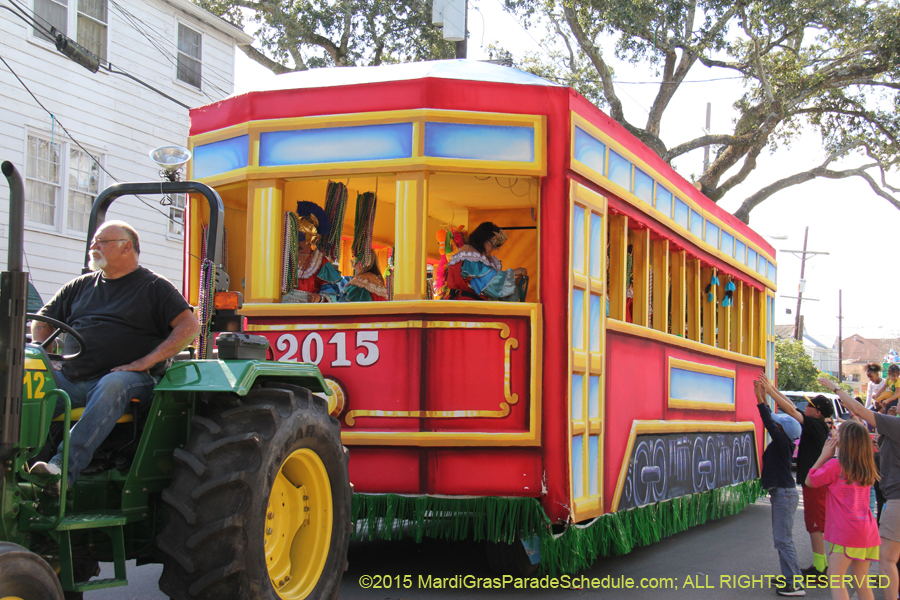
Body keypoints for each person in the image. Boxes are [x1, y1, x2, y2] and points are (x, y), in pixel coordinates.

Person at [30, 221, 200, 493]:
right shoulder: (79, 286)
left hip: (130, 381)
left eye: (102, 242)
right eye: (94, 242)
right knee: (27, 380)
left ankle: (62, 470)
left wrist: (145, 362)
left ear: (126, 246)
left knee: (114, 383)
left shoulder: (154, 287)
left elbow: (189, 326)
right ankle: (19, 465)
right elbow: (42, 322)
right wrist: (44, 353)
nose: (93, 247)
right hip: (72, 379)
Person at [818, 377, 900, 600]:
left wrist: (834, 388)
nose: (895, 403)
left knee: (888, 559)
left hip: (896, 500)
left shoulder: (896, 425)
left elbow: (857, 409)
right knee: (865, 577)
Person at [758, 374, 834, 579]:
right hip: (813, 481)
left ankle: (820, 568)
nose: (805, 407)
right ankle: (821, 564)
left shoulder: (815, 425)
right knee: (813, 524)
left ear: (817, 412)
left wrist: (770, 390)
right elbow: (791, 406)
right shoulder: (817, 423)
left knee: (815, 524)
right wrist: (771, 389)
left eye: (809, 406)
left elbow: (791, 410)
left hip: (815, 482)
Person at [806, 421, 880, 600]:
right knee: (860, 580)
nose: (834, 434)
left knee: (836, 578)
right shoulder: (866, 465)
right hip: (867, 530)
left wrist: (824, 455)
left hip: (846, 532)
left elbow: (810, 481)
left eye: (838, 433)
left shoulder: (835, 465)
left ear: (845, 441)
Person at [754, 380, 805, 597]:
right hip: (783, 493)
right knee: (782, 539)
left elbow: (768, 421)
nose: (775, 426)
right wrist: (762, 397)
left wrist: (760, 398)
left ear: (783, 430)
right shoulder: (784, 443)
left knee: (783, 540)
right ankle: (791, 577)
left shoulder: (783, 442)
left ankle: (794, 584)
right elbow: (771, 422)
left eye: (779, 425)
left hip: (784, 494)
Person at [445, 222, 527, 302]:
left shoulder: (466, 255)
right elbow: (489, 282)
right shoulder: (471, 259)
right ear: (485, 241)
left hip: (462, 303)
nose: (493, 249)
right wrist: (512, 274)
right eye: (493, 244)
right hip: (466, 306)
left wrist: (514, 283)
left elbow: (489, 288)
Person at [283, 201, 342, 303]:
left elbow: (333, 291)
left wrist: (320, 298)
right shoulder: (284, 258)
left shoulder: (320, 262)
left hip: (308, 312)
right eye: (293, 236)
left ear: (311, 239)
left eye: (299, 237)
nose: (296, 240)